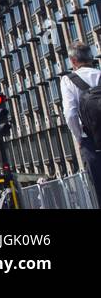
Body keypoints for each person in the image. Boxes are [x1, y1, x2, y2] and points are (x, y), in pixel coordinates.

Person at [61, 40, 101, 203]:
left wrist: (79, 138)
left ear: (73, 60)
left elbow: (70, 114)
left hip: (90, 142)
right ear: (90, 57)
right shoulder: (99, 74)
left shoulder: (68, 80)